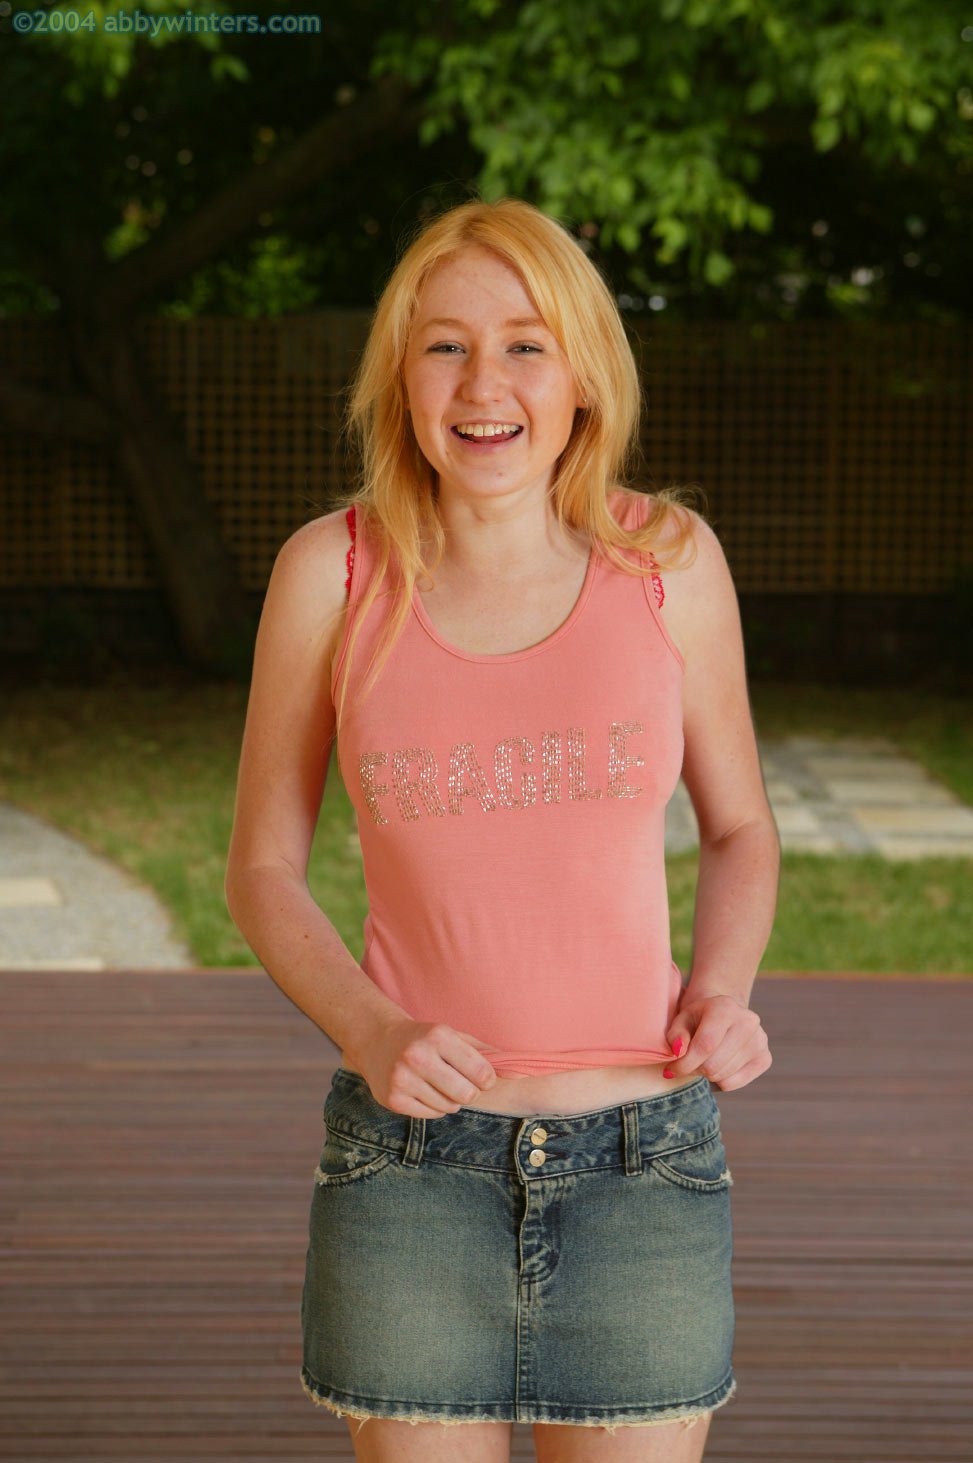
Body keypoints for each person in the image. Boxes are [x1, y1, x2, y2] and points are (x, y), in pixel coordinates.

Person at [225, 196, 780, 1463]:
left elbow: (742, 826)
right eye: (446, 346)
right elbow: (260, 866)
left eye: (526, 344)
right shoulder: (331, 573)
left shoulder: (670, 562)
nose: (485, 384)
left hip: (646, 1163)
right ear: (399, 377)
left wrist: (723, 988)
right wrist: (370, 1028)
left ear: (582, 375)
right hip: (410, 1170)